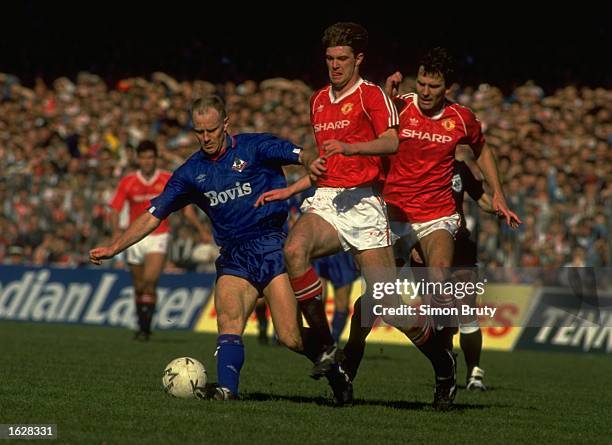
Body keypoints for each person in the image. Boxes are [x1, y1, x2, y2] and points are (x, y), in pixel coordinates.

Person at [92, 95, 347, 402]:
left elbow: (302, 155)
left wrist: (310, 162)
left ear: (226, 124)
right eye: (199, 131)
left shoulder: (255, 147)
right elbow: (152, 214)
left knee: (290, 337)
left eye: (211, 130)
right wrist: (115, 247)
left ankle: (336, 373)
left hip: (271, 247)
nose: (206, 137)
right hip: (233, 255)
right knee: (228, 320)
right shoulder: (190, 173)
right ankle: (227, 390)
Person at [258, 23, 458, 409]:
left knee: (390, 308)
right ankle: (325, 350)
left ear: (358, 59)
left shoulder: (372, 96)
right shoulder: (318, 100)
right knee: (294, 250)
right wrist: (299, 183)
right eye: (330, 58)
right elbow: (326, 163)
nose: (334, 65)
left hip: (366, 204)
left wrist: (351, 148)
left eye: (342, 59)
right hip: (330, 199)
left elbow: (392, 141)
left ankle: (442, 362)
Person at [108, 140, 206, 340]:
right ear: (138, 159)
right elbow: (115, 209)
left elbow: (186, 208)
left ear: (155, 158)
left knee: (150, 281)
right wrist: (116, 232)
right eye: (143, 157)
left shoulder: (166, 178)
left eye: (150, 157)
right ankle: (142, 324)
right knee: (139, 286)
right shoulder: (128, 181)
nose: (147, 161)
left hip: (159, 234)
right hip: (134, 237)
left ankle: (145, 329)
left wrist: (200, 229)